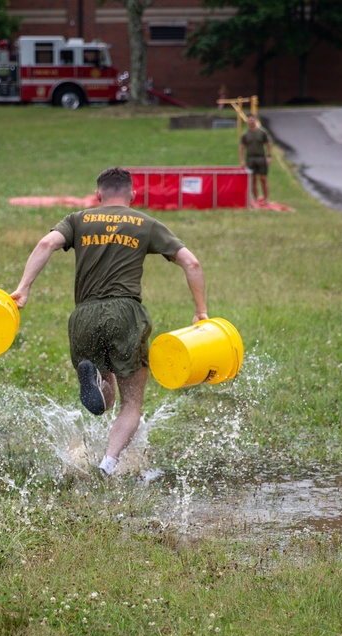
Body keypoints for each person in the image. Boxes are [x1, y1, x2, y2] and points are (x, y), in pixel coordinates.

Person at [11, 167, 209, 476]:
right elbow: (191, 262)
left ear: (99, 194)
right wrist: (201, 311)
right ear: (132, 194)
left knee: (108, 392)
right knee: (131, 402)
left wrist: (22, 289)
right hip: (125, 314)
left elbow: (45, 245)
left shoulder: (78, 220)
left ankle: (95, 381)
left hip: (83, 316)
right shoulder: (145, 224)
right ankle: (107, 464)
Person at [239, 114, 272, 202]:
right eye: (249, 120)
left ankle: (266, 198)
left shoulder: (262, 132)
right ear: (247, 122)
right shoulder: (245, 134)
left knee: (263, 178)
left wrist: (269, 156)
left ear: (255, 120)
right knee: (253, 179)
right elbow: (241, 147)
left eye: (252, 120)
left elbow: (268, 144)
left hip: (261, 157)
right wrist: (242, 160)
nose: (251, 122)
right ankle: (255, 198)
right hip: (250, 158)